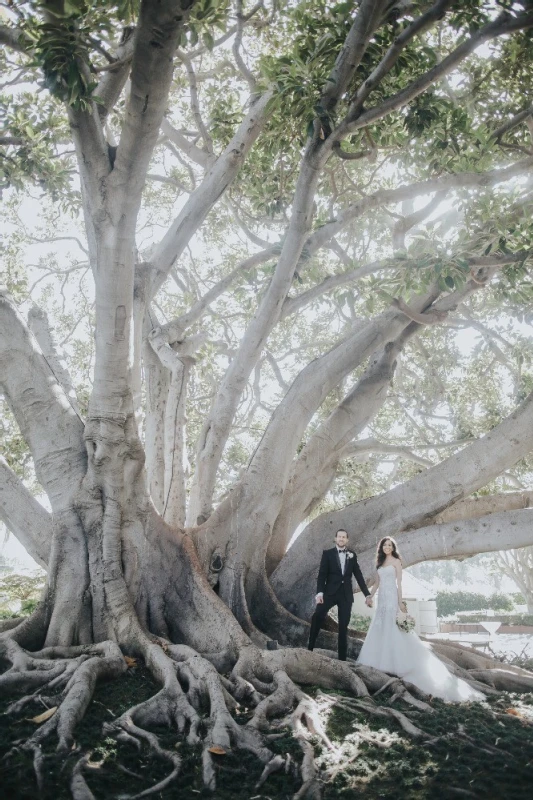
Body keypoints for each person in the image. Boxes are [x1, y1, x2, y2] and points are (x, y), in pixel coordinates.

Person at [357, 537, 484, 702]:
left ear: (393, 547)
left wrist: (400, 602)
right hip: (381, 600)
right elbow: (377, 583)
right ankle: (378, 663)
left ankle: (397, 664)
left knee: (394, 629)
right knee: (379, 627)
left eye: (389, 545)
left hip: (392, 598)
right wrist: (370, 596)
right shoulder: (379, 564)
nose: (387, 547)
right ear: (381, 548)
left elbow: (399, 584)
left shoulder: (396, 562)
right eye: (384, 545)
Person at [308, 529, 372, 661]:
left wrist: (367, 594)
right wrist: (319, 593)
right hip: (329, 593)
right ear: (335, 539)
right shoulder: (327, 554)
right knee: (317, 616)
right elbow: (322, 575)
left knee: (343, 626)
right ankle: (309, 648)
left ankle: (342, 659)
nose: (341, 539)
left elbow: (359, 576)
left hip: (345, 595)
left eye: (344, 537)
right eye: (339, 537)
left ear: (347, 540)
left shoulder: (352, 555)